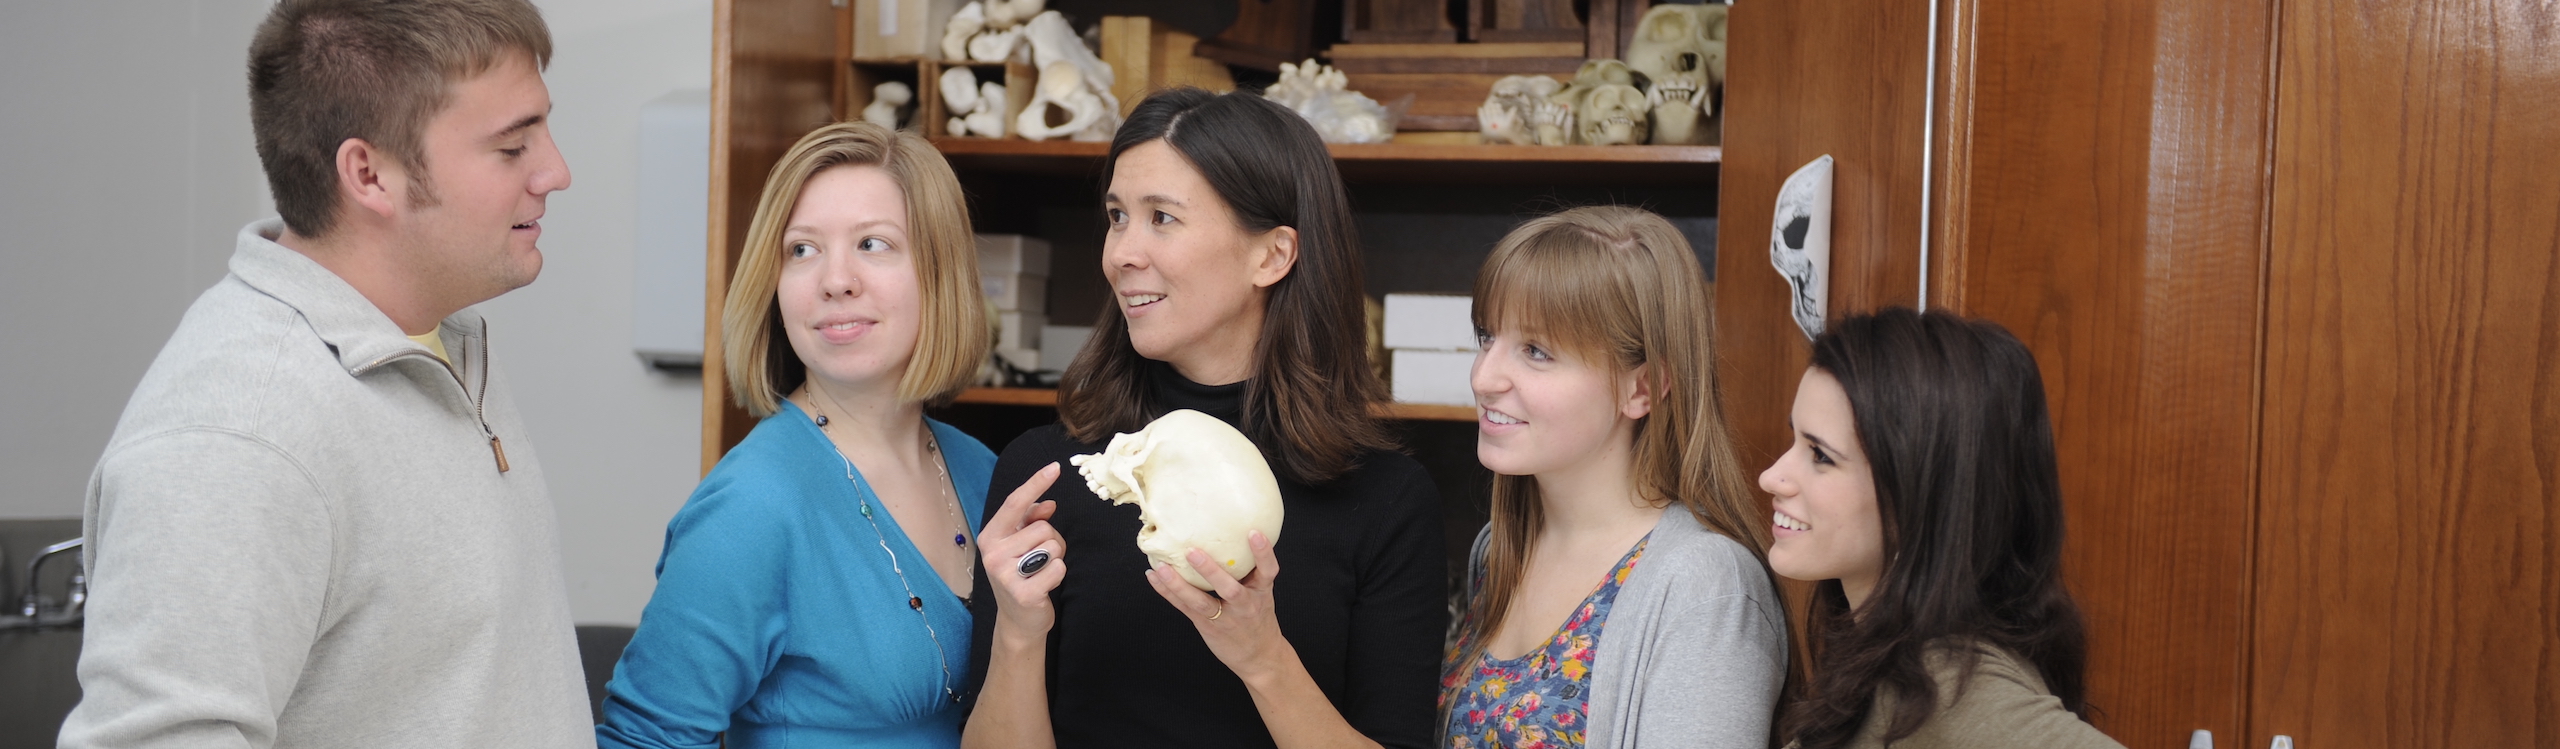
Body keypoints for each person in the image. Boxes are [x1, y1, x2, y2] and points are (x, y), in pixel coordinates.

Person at [58, 0, 586, 746]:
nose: (556, 171)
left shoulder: (440, 342)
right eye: (512, 147)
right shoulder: (238, 436)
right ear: (368, 173)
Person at [963, 88, 1448, 749]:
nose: (1121, 253)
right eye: (1116, 216)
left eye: (1162, 217)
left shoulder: (1387, 499)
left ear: (1271, 256)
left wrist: (1260, 655)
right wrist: (1018, 637)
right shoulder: (1044, 473)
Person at [596, 122, 997, 748]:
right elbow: (644, 740)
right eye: (802, 250)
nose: (835, 281)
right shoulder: (753, 505)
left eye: (873, 244)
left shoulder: (981, 470)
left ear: (940, 272)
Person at [1443, 206, 1790, 749]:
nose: (1483, 377)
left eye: (1536, 352)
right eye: (1487, 338)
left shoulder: (1707, 586)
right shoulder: (1500, 549)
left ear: (1643, 389)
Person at [1761, 307, 2123, 749]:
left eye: (1820, 456)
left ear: (1917, 490)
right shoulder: (1887, 665)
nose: (1772, 476)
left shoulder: (1950, 685)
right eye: (1794, 439)